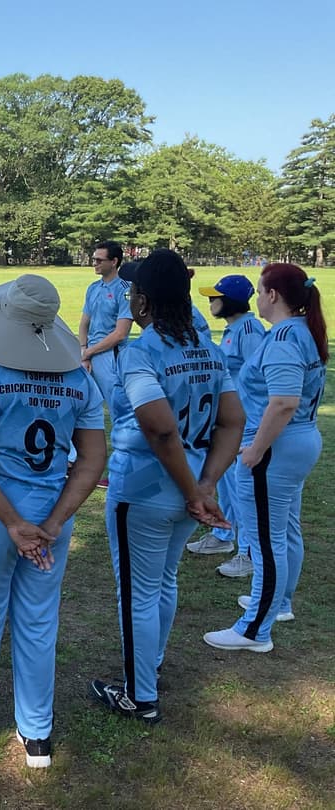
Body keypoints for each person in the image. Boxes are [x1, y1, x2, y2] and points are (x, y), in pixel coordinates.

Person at [0, 275, 105, 769]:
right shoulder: (79, 377)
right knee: (38, 623)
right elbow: (94, 462)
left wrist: (11, 521)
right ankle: (37, 737)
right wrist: (50, 524)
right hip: (52, 517)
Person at [88, 249, 243, 723]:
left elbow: (158, 429)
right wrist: (207, 483)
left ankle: (140, 694)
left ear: (143, 301)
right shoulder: (205, 347)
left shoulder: (143, 350)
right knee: (164, 582)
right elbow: (232, 420)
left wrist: (197, 490)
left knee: (138, 591)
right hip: (191, 482)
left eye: (135, 293)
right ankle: (147, 668)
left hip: (146, 489)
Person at [203, 264, 327, 653]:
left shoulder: (285, 338)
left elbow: (285, 401)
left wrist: (256, 450)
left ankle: (255, 628)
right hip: (296, 443)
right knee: (286, 531)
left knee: (268, 541)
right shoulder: (302, 331)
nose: (257, 298)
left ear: (272, 295)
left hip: (277, 447)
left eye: (260, 291)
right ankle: (279, 604)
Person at [186, 275, 266, 575]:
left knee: (242, 491)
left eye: (215, 297)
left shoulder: (250, 329)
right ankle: (223, 535)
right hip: (231, 423)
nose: (210, 302)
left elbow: (257, 377)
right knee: (227, 487)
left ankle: (247, 553)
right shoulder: (234, 329)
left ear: (230, 300)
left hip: (248, 424)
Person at [80, 240, 132, 402]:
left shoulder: (126, 290)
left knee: (117, 406)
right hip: (89, 355)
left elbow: (120, 334)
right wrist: (84, 351)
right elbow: (84, 323)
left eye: (99, 260)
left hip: (110, 356)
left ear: (114, 261)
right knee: (88, 408)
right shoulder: (93, 288)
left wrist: (89, 352)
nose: (94, 263)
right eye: (94, 259)